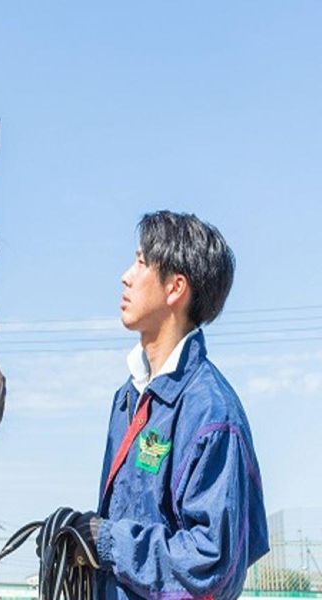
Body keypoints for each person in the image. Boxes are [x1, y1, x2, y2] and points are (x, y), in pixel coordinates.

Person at [47, 211, 268, 599]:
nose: (125, 276)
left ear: (175, 288)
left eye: (141, 262)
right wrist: (80, 543)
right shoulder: (127, 398)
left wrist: (108, 541)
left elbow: (212, 564)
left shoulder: (213, 413)